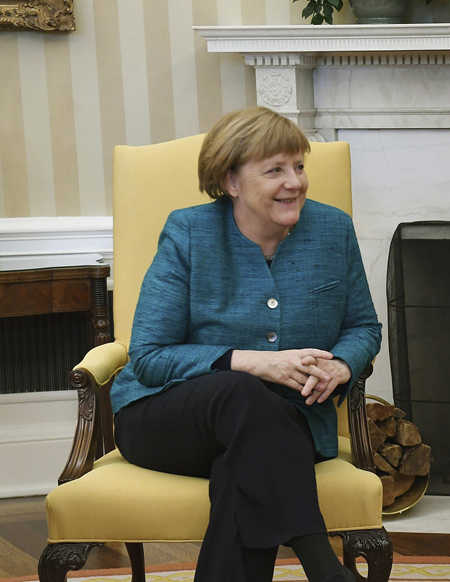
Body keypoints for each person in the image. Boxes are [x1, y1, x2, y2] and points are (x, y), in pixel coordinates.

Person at [109, 107, 382, 582]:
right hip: (167, 420)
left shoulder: (333, 230)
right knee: (240, 391)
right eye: (275, 170)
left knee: (245, 469)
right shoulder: (189, 233)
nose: (295, 182)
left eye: (299, 166)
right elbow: (149, 357)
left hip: (287, 428)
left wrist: (342, 365)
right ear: (231, 182)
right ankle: (324, 567)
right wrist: (253, 363)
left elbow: (363, 327)